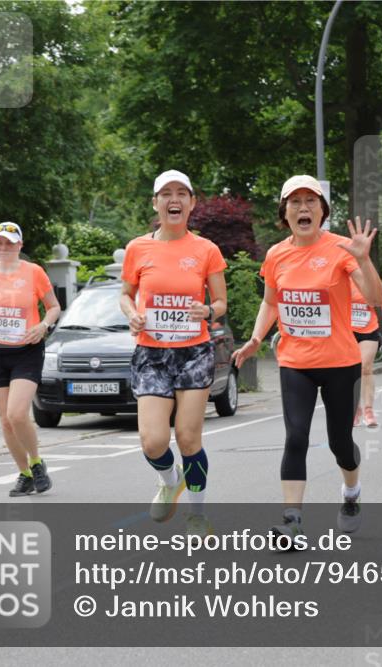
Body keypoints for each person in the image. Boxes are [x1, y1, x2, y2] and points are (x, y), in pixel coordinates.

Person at [232, 175, 382, 542]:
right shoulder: (276, 254)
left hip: (340, 362)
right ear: (284, 213)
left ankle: (351, 493)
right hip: (295, 362)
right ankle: (292, 520)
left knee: (340, 444)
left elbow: (376, 297)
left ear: (323, 210)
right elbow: (271, 301)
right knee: (295, 436)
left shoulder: (343, 249)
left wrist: (363, 260)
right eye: (295, 202)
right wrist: (256, 337)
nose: (303, 208)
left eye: (311, 201)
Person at [120, 170, 228, 536]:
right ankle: (170, 479)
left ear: (192, 203)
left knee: (187, 437)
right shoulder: (138, 248)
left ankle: (197, 513)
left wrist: (209, 311)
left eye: (182, 193)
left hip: (193, 351)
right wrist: (132, 314)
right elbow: (124, 293)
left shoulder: (206, 249)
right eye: (166, 193)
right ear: (155, 203)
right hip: (151, 353)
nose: (174, 199)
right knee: (152, 441)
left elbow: (221, 301)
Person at [0, 222, 61, 497]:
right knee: (5, 421)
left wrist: (43, 326)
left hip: (27, 349)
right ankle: (25, 473)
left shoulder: (34, 272)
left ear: (20, 245)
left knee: (17, 414)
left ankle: (36, 461)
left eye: (9, 242)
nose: (4, 247)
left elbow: (54, 307)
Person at [350, 277, 382, 428]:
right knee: (347, 371)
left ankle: (369, 410)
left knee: (365, 367)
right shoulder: (337, 275)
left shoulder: (366, 274)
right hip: (345, 330)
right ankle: (355, 409)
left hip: (367, 328)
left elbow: (379, 300)